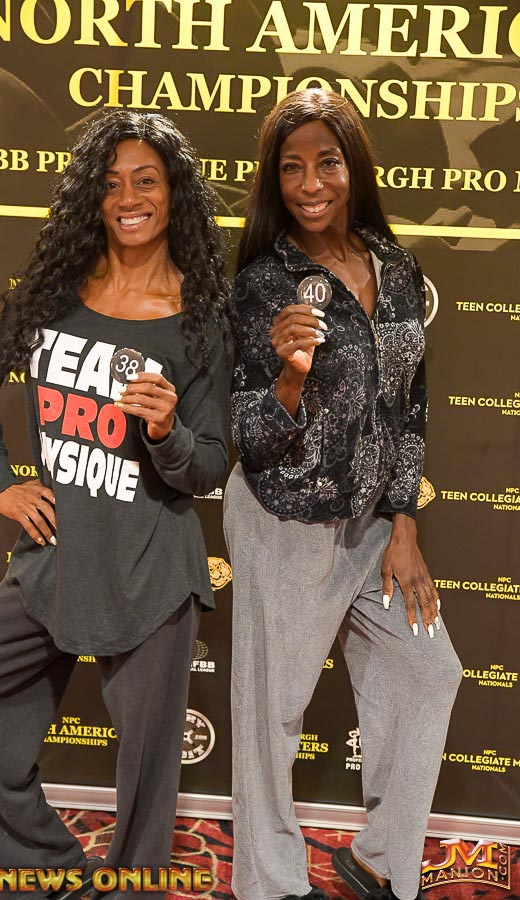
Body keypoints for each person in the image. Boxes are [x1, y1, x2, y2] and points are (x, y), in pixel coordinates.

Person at [0, 109, 233, 899]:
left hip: (149, 571)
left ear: (175, 194)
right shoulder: (52, 296)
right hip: (56, 558)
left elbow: (207, 464)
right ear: (90, 199)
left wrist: (166, 431)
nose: (128, 198)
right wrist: (0, 481)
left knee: (145, 780)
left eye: (146, 181)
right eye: (110, 184)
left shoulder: (202, 320)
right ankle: (50, 878)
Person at [224, 89, 462, 900]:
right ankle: (270, 884)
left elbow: (411, 404)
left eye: (326, 162)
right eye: (290, 168)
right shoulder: (263, 284)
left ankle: (380, 861)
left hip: (371, 527)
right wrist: (289, 378)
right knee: (273, 715)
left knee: (429, 671)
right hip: (283, 519)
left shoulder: (396, 267)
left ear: (353, 166)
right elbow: (251, 437)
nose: (309, 183)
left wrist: (404, 521)